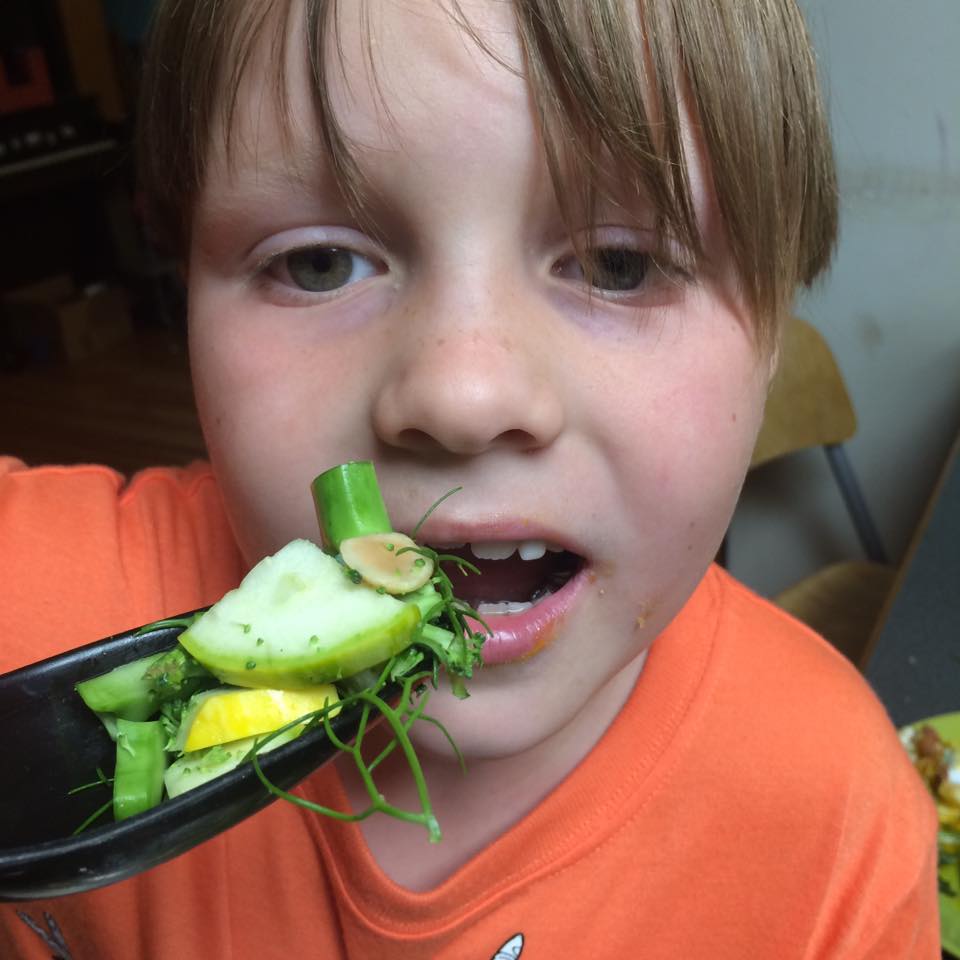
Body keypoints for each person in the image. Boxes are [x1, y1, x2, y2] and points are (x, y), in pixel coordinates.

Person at [0, 0, 939, 957]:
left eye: (619, 264)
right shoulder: (29, 610)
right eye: (319, 263)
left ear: (774, 338)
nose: (464, 392)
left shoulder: (838, 837)